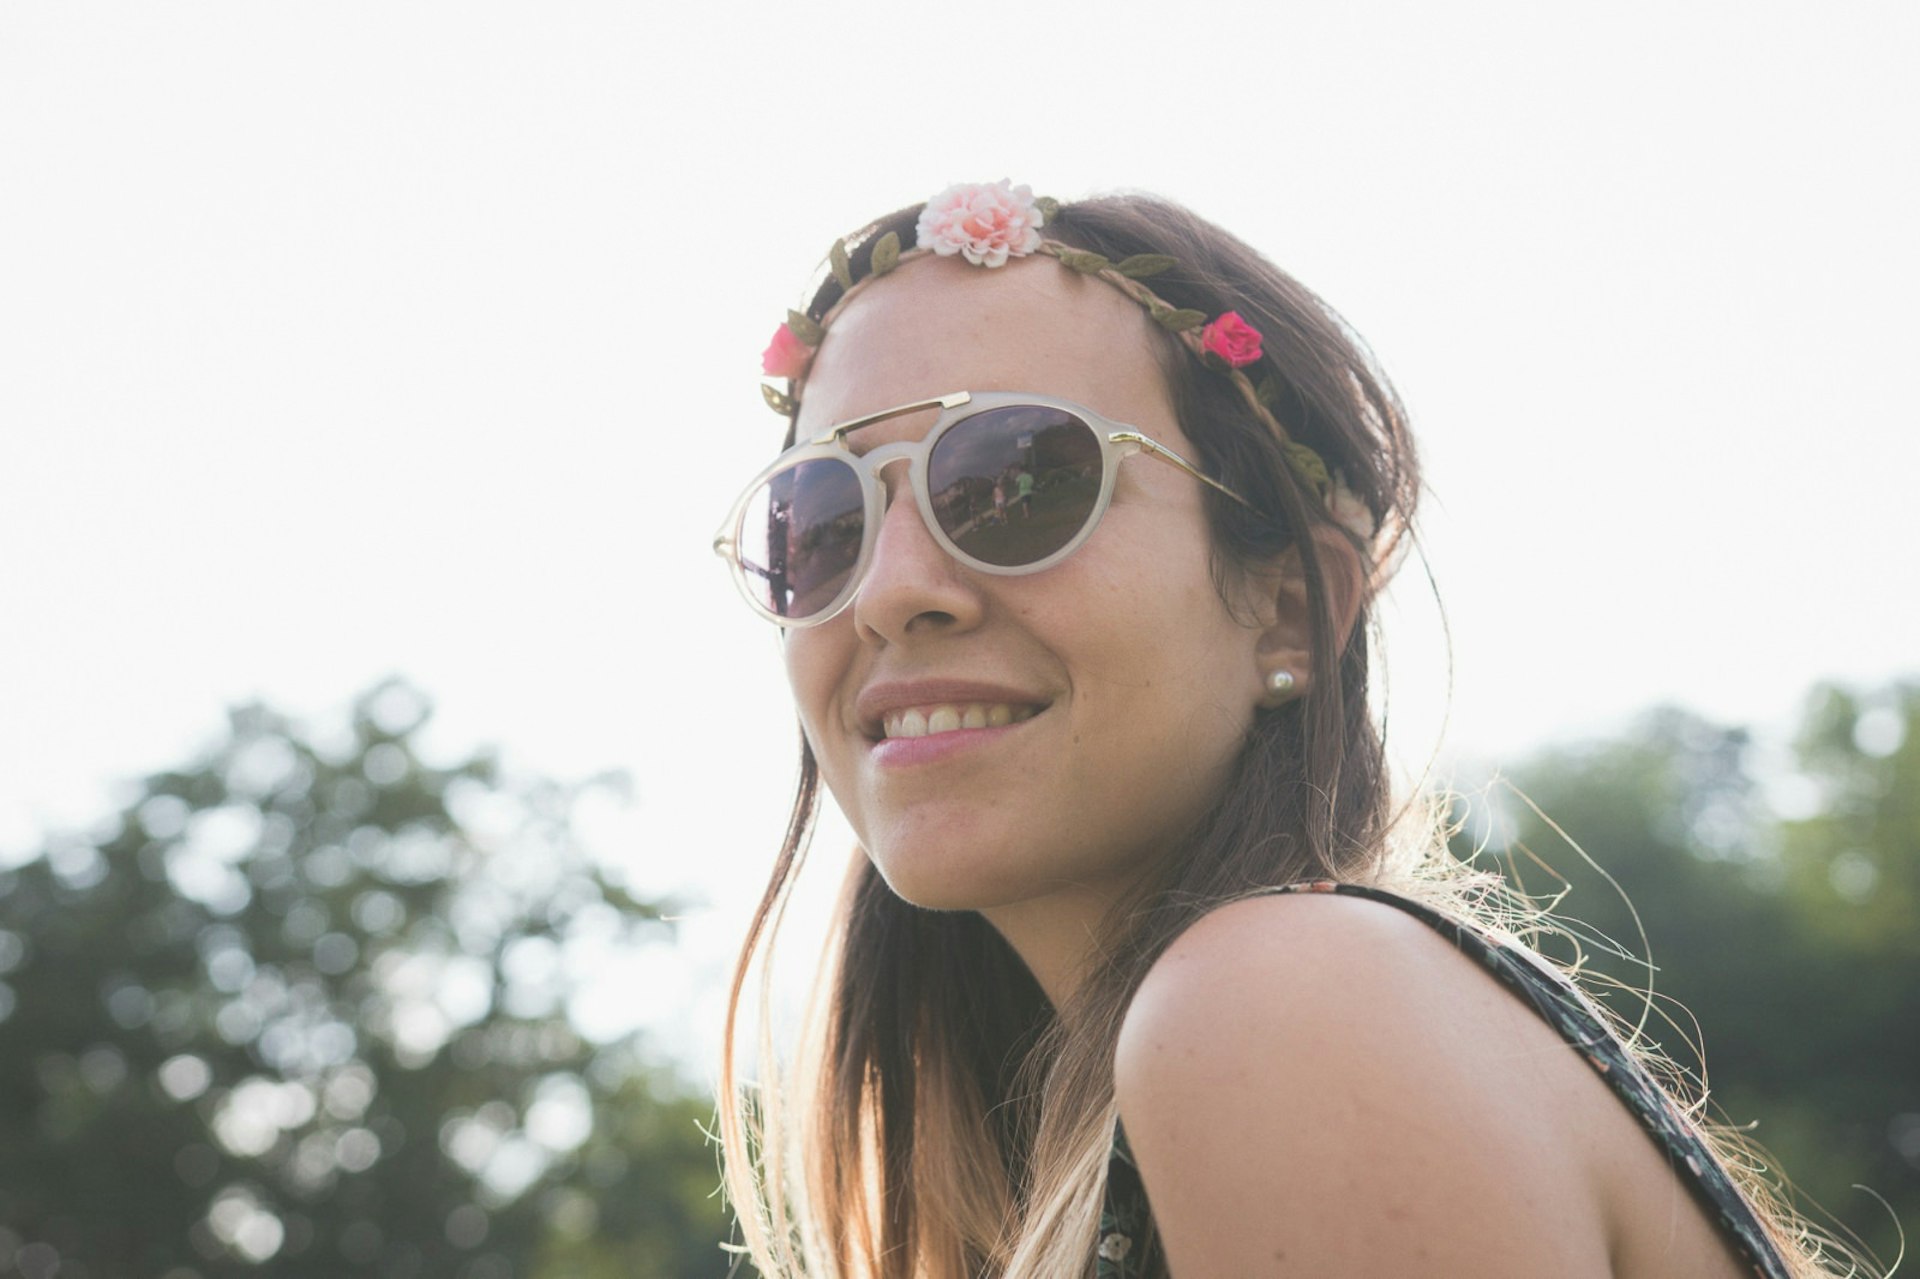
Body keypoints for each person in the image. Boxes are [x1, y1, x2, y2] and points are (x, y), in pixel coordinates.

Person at [714, 181, 1859, 1277]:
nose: (888, 589)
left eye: (1020, 479)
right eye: (819, 519)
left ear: (1290, 606)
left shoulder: (1288, 1003)